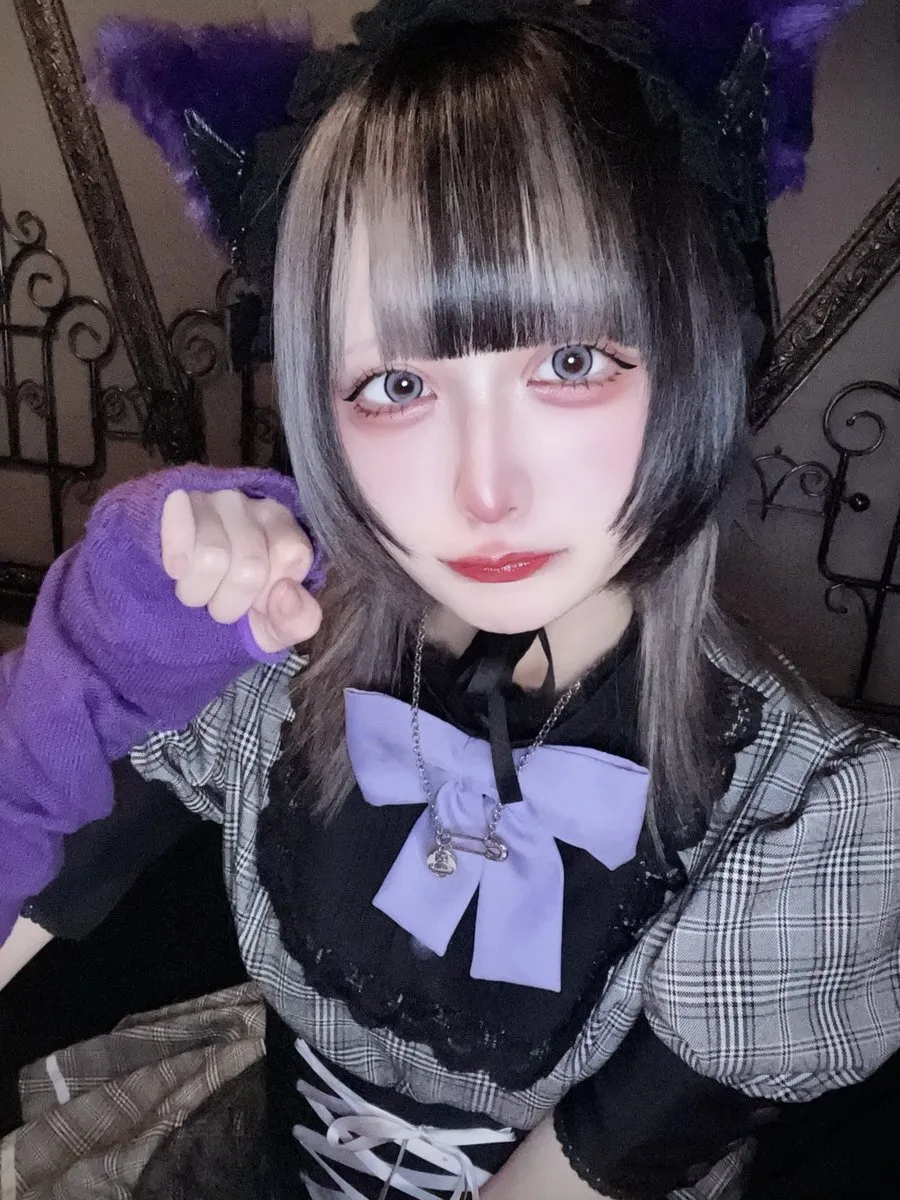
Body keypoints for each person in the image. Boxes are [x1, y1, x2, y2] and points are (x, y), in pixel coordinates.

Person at [1, 2, 898, 1197]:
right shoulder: (264, 652)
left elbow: (593, 1166)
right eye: (397, 384)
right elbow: (32, 862)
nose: (485, 491)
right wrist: (102, 652)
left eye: (570, 362)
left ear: (697, 353)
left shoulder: (810, 816)